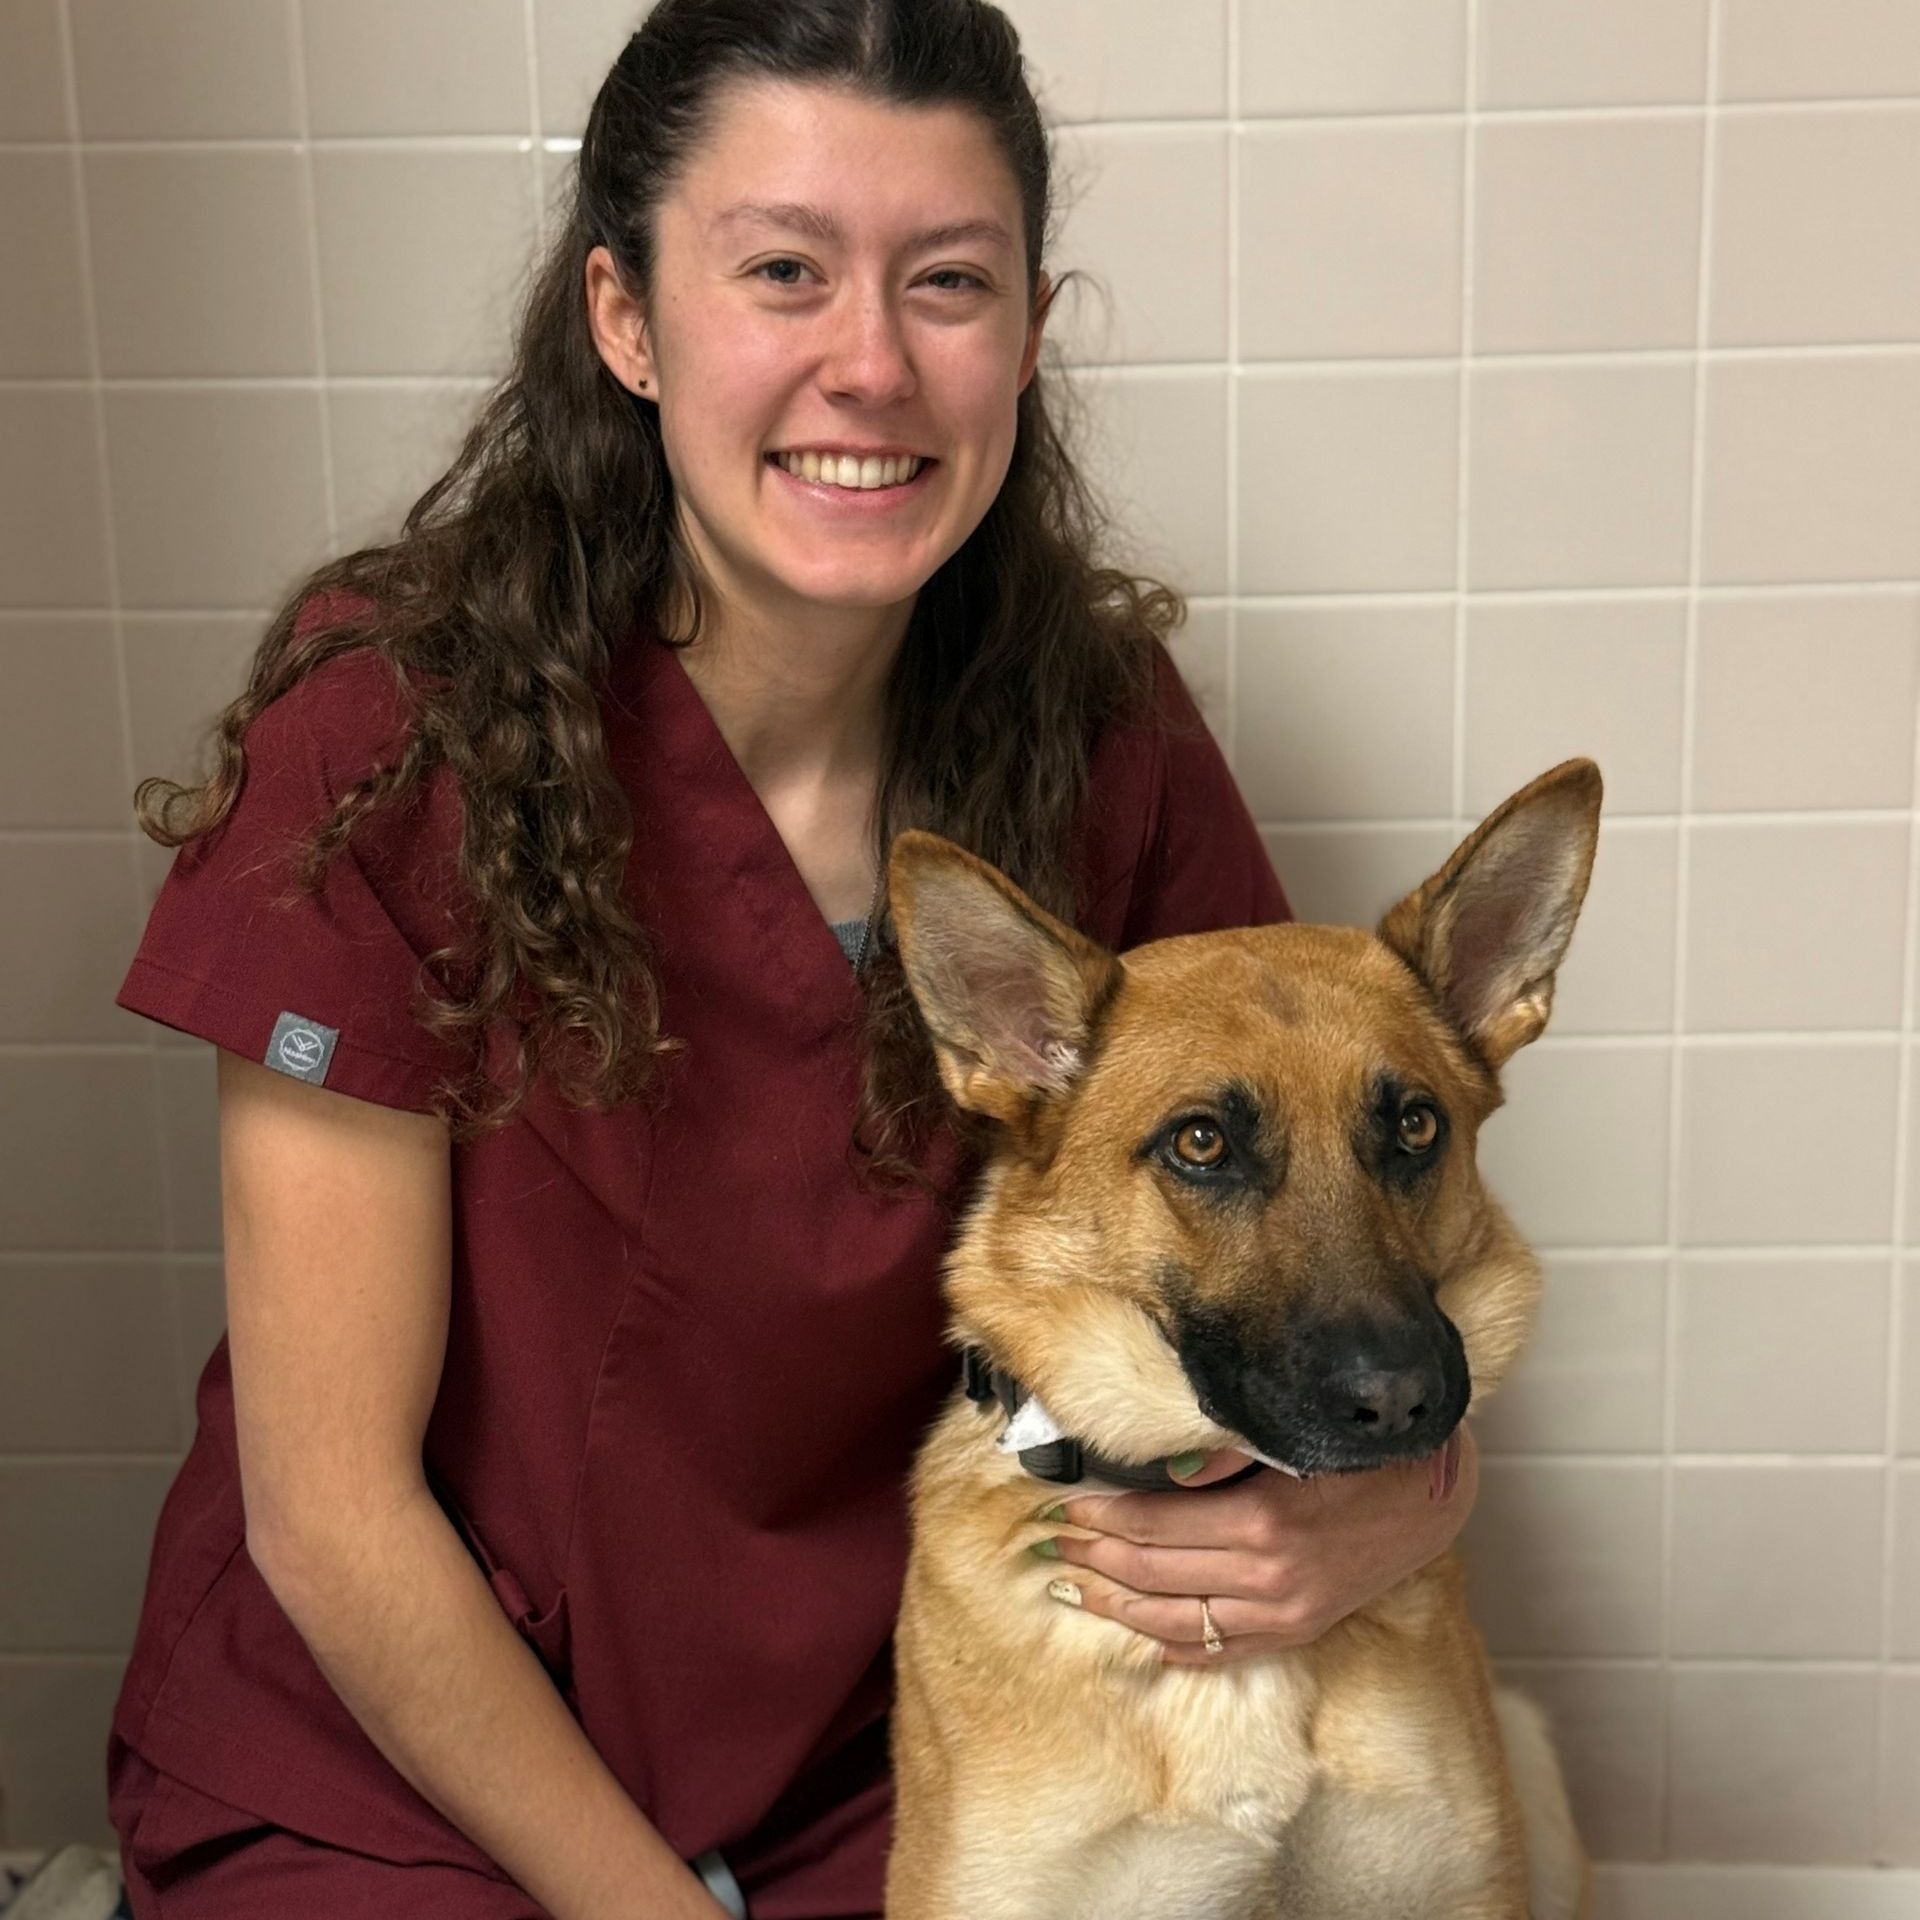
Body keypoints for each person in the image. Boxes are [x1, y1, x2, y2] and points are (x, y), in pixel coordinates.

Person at [104, 3, 1480, 1915]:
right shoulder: (388, 734)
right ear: (627, 320)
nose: (873, 366)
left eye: (948, 283)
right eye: (781, 274)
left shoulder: (1103, 736)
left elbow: (1338, 1203)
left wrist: (1383, 1517)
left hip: (881, 1745)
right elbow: (332, 1520)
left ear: (1027, 330)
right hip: (402, 1772)